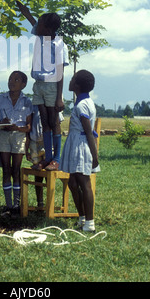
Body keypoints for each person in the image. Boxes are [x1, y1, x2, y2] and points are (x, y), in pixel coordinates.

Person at [5, 0, 68, 171]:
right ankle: (47, 158)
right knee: (44, 121)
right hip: (38, 85)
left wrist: (59, 96)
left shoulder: (59, 45)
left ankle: (56, 158)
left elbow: (60, 72)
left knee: (53, 121)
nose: (36, 26)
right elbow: (26, 12)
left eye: (39, 24)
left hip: (51, 86)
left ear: (48, 28)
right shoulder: (41, 37)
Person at [59, 69, 100, 232]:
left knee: (84, 182)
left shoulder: (83, 104)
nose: (70, 80)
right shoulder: (83, 102)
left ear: (77, 85)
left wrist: (94, 154)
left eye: (73, 79)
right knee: (73, 182)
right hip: (76, 143)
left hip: (81, 145)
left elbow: (89, 131)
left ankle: (90, 223)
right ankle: (82, 217)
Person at [0, 71, 33, 217]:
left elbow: (29, 127)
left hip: (19, 136)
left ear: (23, 84)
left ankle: (16, 205)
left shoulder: (27, 102)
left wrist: (17, 128)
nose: (12, 82)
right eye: (10, 79)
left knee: (16, 169)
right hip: (4, 135)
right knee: (6, 169)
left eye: (16, 80)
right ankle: (8, 204)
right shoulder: (0, 99)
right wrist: (2, 123)